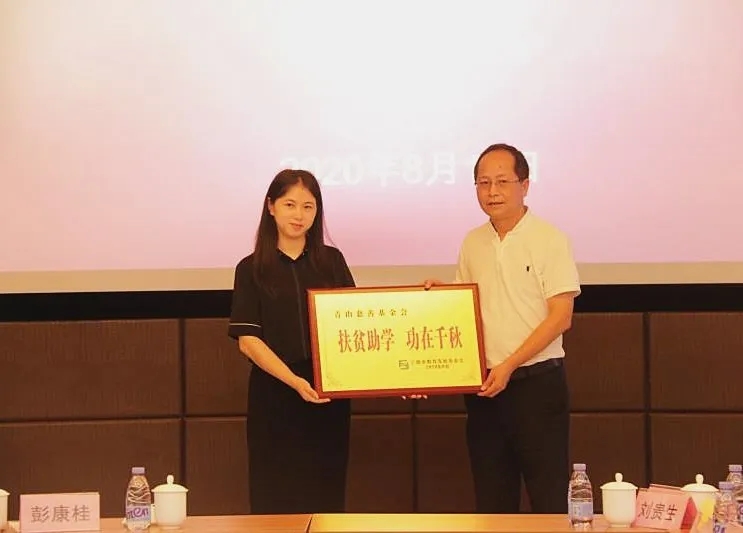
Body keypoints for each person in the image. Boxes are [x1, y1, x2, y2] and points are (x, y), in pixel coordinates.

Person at [425, 143, 580, 513]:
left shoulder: (549, 238)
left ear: (524, 185)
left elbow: (561, 316)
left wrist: (509, 364)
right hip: (485, 389)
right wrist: (441, 296)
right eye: (483, 183)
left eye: (502, 182)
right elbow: (467, 307)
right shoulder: (473, 241)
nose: (492, 191)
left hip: (537, 385)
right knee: (492, 501)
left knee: (548, 498)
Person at [227, 169, 355, 514]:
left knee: (326, 493)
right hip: (275, 394)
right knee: (275, 494)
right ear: (271, 207)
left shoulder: (332, 262)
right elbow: (248, 341)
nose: (299, 215)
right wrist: (295, 381)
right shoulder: (250, 268)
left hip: (328, 394)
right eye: (290, 204)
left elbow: (355, 326)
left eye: (308, 206)